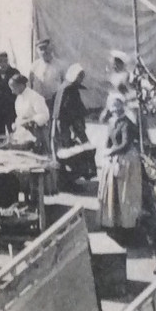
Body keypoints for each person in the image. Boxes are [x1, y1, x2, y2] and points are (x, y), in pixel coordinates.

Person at [97, 95, 144, 230]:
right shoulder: (112, 122)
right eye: (113, 109)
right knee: (111, 190)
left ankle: (126, 223)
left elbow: (125, 143)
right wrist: (106, 151)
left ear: (121, 108)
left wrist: (111, 152)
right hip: (114, 158)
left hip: (126, 159)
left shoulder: (126, 124)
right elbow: (108, 140)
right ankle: (112, 220)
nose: (115, 111)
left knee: (124, 192)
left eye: (117, 108)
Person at [49, 63, 95, 186]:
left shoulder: (69, 88)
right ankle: (67, 182)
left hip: (67, 125)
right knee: (70, 153)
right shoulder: (66, 90)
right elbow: (62, 112)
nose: (81, 79)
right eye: (79, 76)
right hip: (63, 127)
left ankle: (69, 180)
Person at [8, 73, 50, 148]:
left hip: (36, 133)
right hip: (23, 133)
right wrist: (16, 124)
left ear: (20, 85)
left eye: (13, 88)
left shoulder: (35, 97)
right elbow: (20, 116)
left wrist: (30, 121)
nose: (12, 92)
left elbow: (44, 115)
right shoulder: (18, 99)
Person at [28, 38, 67, 107]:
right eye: (41, 49)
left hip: (55, 101)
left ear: (51, 49)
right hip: (39, 101)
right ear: (37, 51)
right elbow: (30, 84)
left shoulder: (60, 65)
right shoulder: (34, 66)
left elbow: (65, 84)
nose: (43, 52)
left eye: (45, 48)